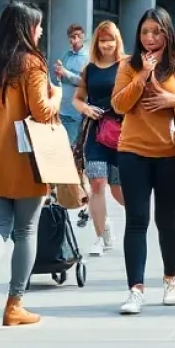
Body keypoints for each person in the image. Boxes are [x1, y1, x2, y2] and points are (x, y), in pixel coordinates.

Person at [0, 2, 60, 328]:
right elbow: (42, 111)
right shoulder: (32, 64)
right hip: (27, 160)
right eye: (39, 25)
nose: (41, 31)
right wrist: (57, 96)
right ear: (25, 28)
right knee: (25, 230)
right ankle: (14, 305)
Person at [111, 7, 175, 316]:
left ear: (167, 33)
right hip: (133, 152)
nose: (149, 38)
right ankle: (135, 290)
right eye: (144, 32)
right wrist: (142, 76)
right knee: (136, 220)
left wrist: (173, 100)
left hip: (170, 153)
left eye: (155, 32)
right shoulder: (128, 65)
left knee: (167, 220)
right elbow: (119, 104)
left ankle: (170, 280)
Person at [72, 21, 126, 257]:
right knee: (96, 185)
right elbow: (77, 98)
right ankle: (99, 236)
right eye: (103, 40)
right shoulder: (90, 69)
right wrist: (85, 109)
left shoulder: (126, 65)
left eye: (111, 40)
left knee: (119, 191)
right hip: (96, 132)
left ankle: (129, 223)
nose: (107, 45)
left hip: (123, 133)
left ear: (117, 41)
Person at [54, 23, 88, 146]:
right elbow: (61, 78)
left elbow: (85, 83)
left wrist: (66, 73)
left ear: (83, 36)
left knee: (71, 147)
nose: (75, 39)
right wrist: (59, 71)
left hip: (76, 112)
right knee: (60, 146)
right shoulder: (66, 55)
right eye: (72, 36)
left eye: (77, 36)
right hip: (62, 109)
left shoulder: (87, 57)